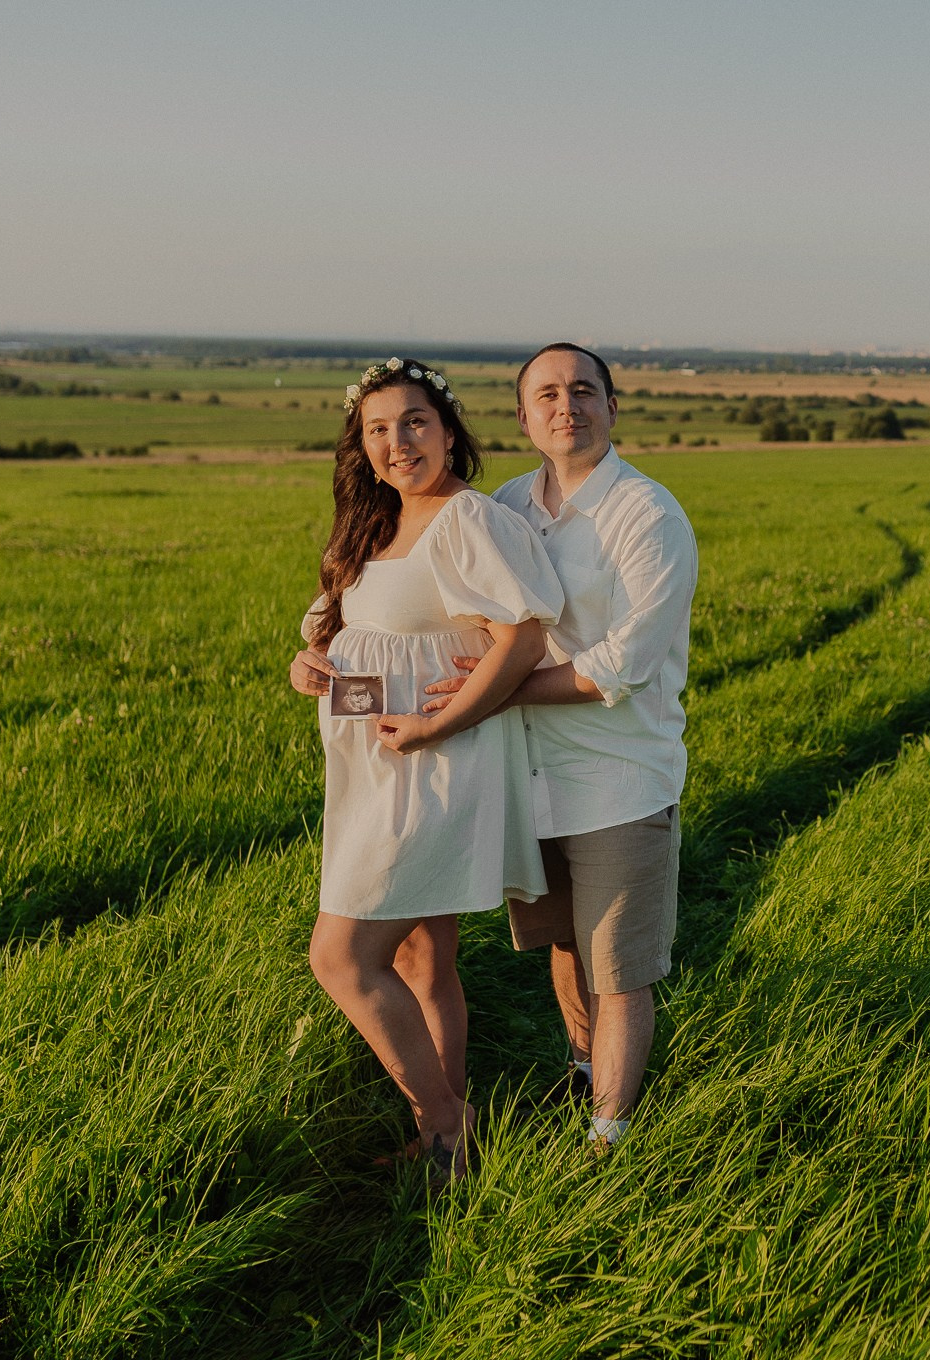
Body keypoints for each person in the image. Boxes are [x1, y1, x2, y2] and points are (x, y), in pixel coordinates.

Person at [287, 357, 563, 1180]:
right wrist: (308, 663)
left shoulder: (466, 521)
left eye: (414, 422)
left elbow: (524, 636)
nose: (398, 442)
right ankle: (446, 1145)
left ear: (448, 431)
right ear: (361, 445)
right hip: (372, 771)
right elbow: (347, 637)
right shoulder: (368, 529)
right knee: (419, 959)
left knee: (339, 956)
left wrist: (440, 720)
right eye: (378, 429)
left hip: (435, 768)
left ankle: (446, 1120)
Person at [425, 343, 696, 1156]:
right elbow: (445, 613)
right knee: (565, 945)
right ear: (523, 417)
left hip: (619, 779)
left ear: (613, 408)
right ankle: (583, 1070)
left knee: (620, 968)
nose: (565, 405)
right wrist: (326, 649)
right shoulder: (506, 506)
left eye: (583, 390)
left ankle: (608, 1140)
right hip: (530, 776)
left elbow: (624, 663)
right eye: (546, 394)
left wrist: (492, 693)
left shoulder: (648, 515)